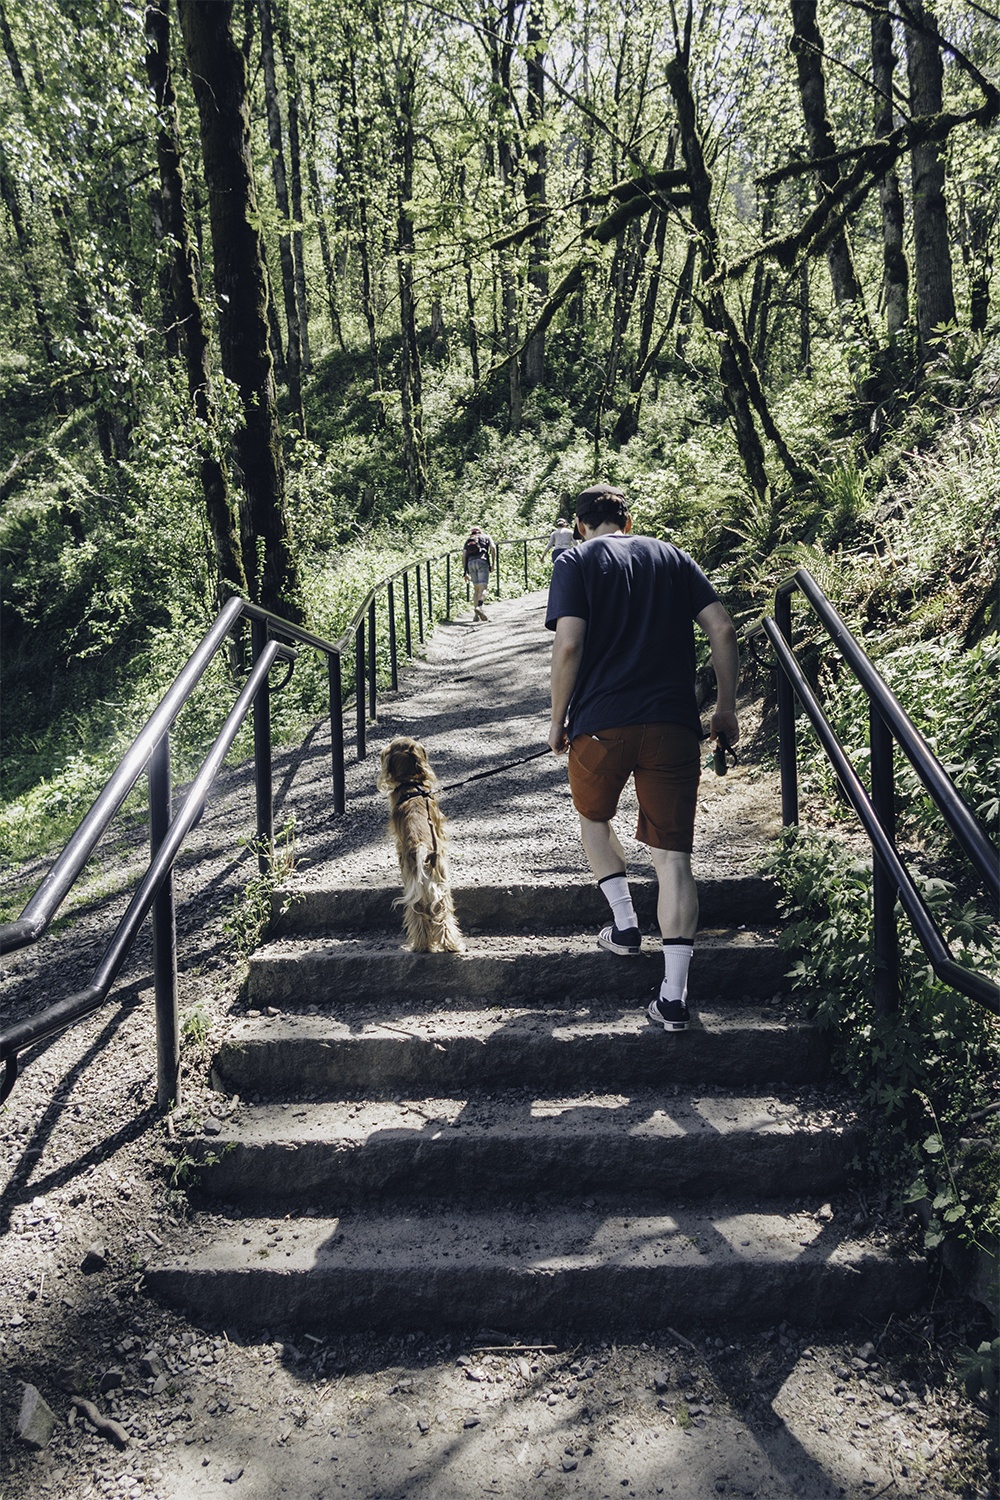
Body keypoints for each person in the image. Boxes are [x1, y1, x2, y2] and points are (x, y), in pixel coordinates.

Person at [545, 483, 739, 1033]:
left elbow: (569, 645)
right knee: (673, 857)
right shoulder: (671, 556)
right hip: (672, 726)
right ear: (627, 520)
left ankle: (625, 926)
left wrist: (557, 720)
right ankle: (673, 999)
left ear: (579, 524)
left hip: (600, 728)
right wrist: (724, 709)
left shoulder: (575, 560)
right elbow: (723, 628)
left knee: (592, 817)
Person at [462, 525, 496, 622]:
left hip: (470, 564)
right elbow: (493, 547)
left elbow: (464, 555)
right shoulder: (486, 537)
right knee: (483, 587)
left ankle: (476, 616)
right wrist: (493, 563)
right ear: (480, 532)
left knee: (476, 589)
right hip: (482, 562)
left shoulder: (468, 540)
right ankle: (479, 607)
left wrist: (465, 572)